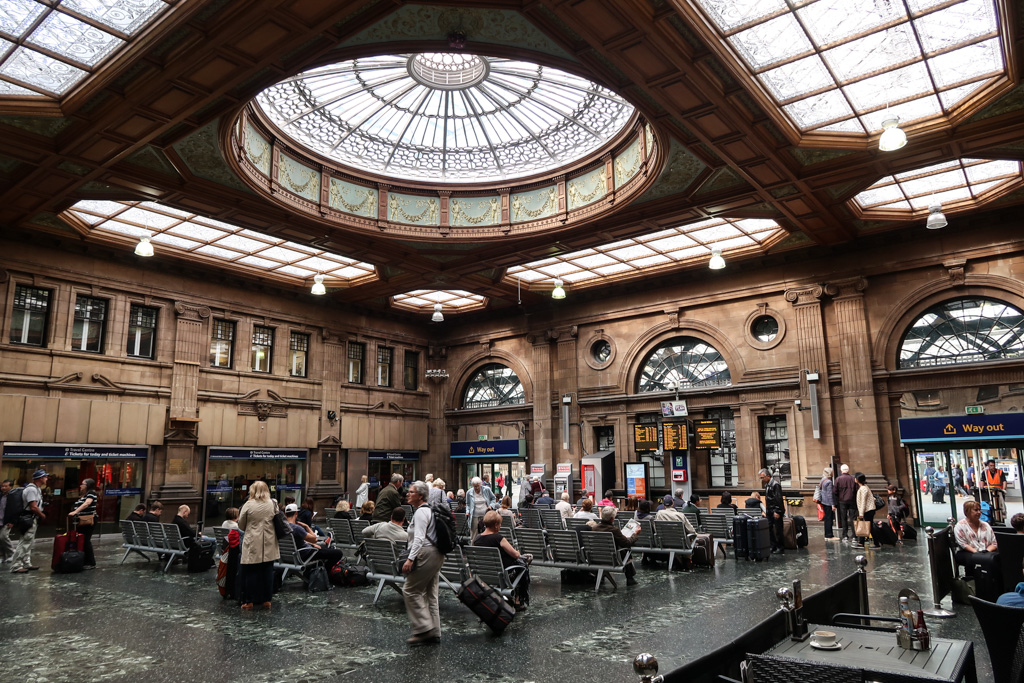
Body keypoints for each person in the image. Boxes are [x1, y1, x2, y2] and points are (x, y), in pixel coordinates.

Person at [402, 481, 444, 645]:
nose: (408, 494)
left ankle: (424, 628)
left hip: (426, 554)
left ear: (420, 495)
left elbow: (419, 539)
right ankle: (435, 631)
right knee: (431, 594)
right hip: (437, 554)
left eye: (411, 492)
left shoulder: (420, 512)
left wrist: (410, 559)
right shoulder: (430, 510)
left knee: (410, 590)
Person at [474, 509, 532, 609]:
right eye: (500, 524)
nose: (500, 526)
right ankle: (518, 600)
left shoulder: (477, 539)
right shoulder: (499, 538)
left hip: (484, 574)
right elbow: (516, 555)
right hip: (503, 575)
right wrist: (518, 553)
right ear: (496, 525)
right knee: (524, 562)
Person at [237, 480, 279, 610]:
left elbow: (241, 524)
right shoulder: (273, 503)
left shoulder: (248, 504)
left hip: (253, 541)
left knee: (251, 571)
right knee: (268, 571)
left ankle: (249, 601)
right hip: (269, 541)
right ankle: (267, 600)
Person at [284, 503, 344, 568]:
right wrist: (307, 527)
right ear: (296, 513)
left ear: (285, 514)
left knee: (324, 549)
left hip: (289, 556)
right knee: (338, 553)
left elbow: (296, 542)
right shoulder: (297, 528)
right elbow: (314, 539)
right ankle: (326, 570)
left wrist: (312, 545)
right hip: (305, 554)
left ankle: (325, 545)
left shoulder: (281, 527)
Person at [11, 469, 48, 574]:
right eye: (45, 477)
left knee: (29, 542)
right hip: (29, 518)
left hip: (32, 518)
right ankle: (16, 565)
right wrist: (42, 515)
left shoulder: (37, 489)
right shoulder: (31, 489)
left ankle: (26, 562)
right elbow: (33, 507)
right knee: (25, 541)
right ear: (40, 478)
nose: (46, 479)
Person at [591, 505, 638, 586]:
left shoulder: (594, 528)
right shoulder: (614, 530)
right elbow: (627, 543)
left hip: (596, 557)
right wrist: (635, 534)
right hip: (612, 559)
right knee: (625, 550)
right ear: (612, 519)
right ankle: (630, 578)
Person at [953, 500, 999, 579]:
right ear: (967, 512)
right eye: (976, 510)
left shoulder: (985, 525)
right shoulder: (960, 526)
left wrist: (986, 552)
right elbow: (963, 544)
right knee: (972, 559)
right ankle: (971, 581)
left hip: (985, 551)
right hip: (967, 552)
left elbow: (994, 543)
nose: (979, 512)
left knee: (996, 558)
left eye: (979, 510)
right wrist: (977, 553)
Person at [68, 478, 98, 570]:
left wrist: (75, 511)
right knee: (81, 539)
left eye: (83, 484)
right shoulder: (84, 494)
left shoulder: (91, 493)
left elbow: (87, 503)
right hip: (81, 520)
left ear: (88, 485)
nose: (81, 486)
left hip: (88, 520)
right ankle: (84, 560)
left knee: (86, 540)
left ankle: (91, 562)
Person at [760, 468, 786, 554]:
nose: (762, 479)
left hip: (775, 510)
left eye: (762, 477)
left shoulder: (775, 485)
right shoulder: (767, 485)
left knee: (778, 530)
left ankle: (780, 547)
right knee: (769, 528)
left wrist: (777, 511)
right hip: (770, 510)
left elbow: (778, 499)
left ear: (768, 476)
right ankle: (773, 545)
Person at [466, 476, 498, 541]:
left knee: (486, 532)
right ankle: (474, 545)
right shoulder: (469, 492)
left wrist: (491, 506)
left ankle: (485, 545)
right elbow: (468, 504)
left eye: (478, 486)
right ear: (472, 485)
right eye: (475, 486)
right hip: (474, 515)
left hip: (485, 515)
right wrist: (467, 511)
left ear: (480, 484)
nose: (477, 488)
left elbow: (493, 498)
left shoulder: (486, 489)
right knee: (474, 533)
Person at [854, 473, 880, 549]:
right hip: (868, 510)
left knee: (869, 527)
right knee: (867, 526)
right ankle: (861, 542)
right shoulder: (865, 487)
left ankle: (876, 543)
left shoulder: (863, 489)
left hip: (868, 510)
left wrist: (861, 513)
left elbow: (863, 502)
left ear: (857, 480)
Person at [835, 464, 858, 542]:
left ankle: (845, 535)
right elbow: (857, 489)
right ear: (848, 471)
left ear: (841, 471)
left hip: (842, 501)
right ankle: (854, 536)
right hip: (852, 500)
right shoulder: (853, 479)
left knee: (843, 518)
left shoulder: (838, 479)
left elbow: (835, 491)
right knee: (853, 518)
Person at [816, 467, 836, 539]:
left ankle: (827, 534)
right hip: (828, 503)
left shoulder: (823, 480)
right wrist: (832, 504)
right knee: (829, 519)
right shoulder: (829, 482)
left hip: (823, 501)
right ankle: (829, 535)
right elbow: (830, 494)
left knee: (827, 519)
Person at [1, 480, 15, 563]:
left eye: (6, 486)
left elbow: (14, 510)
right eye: (2, 486)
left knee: (3, 537)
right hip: (0, 519)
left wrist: (12, 521)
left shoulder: (13, 497)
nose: (3, 488)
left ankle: (12, 553)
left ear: (11, 487)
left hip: (7, 521)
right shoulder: (1, 496)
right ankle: (2, 556)